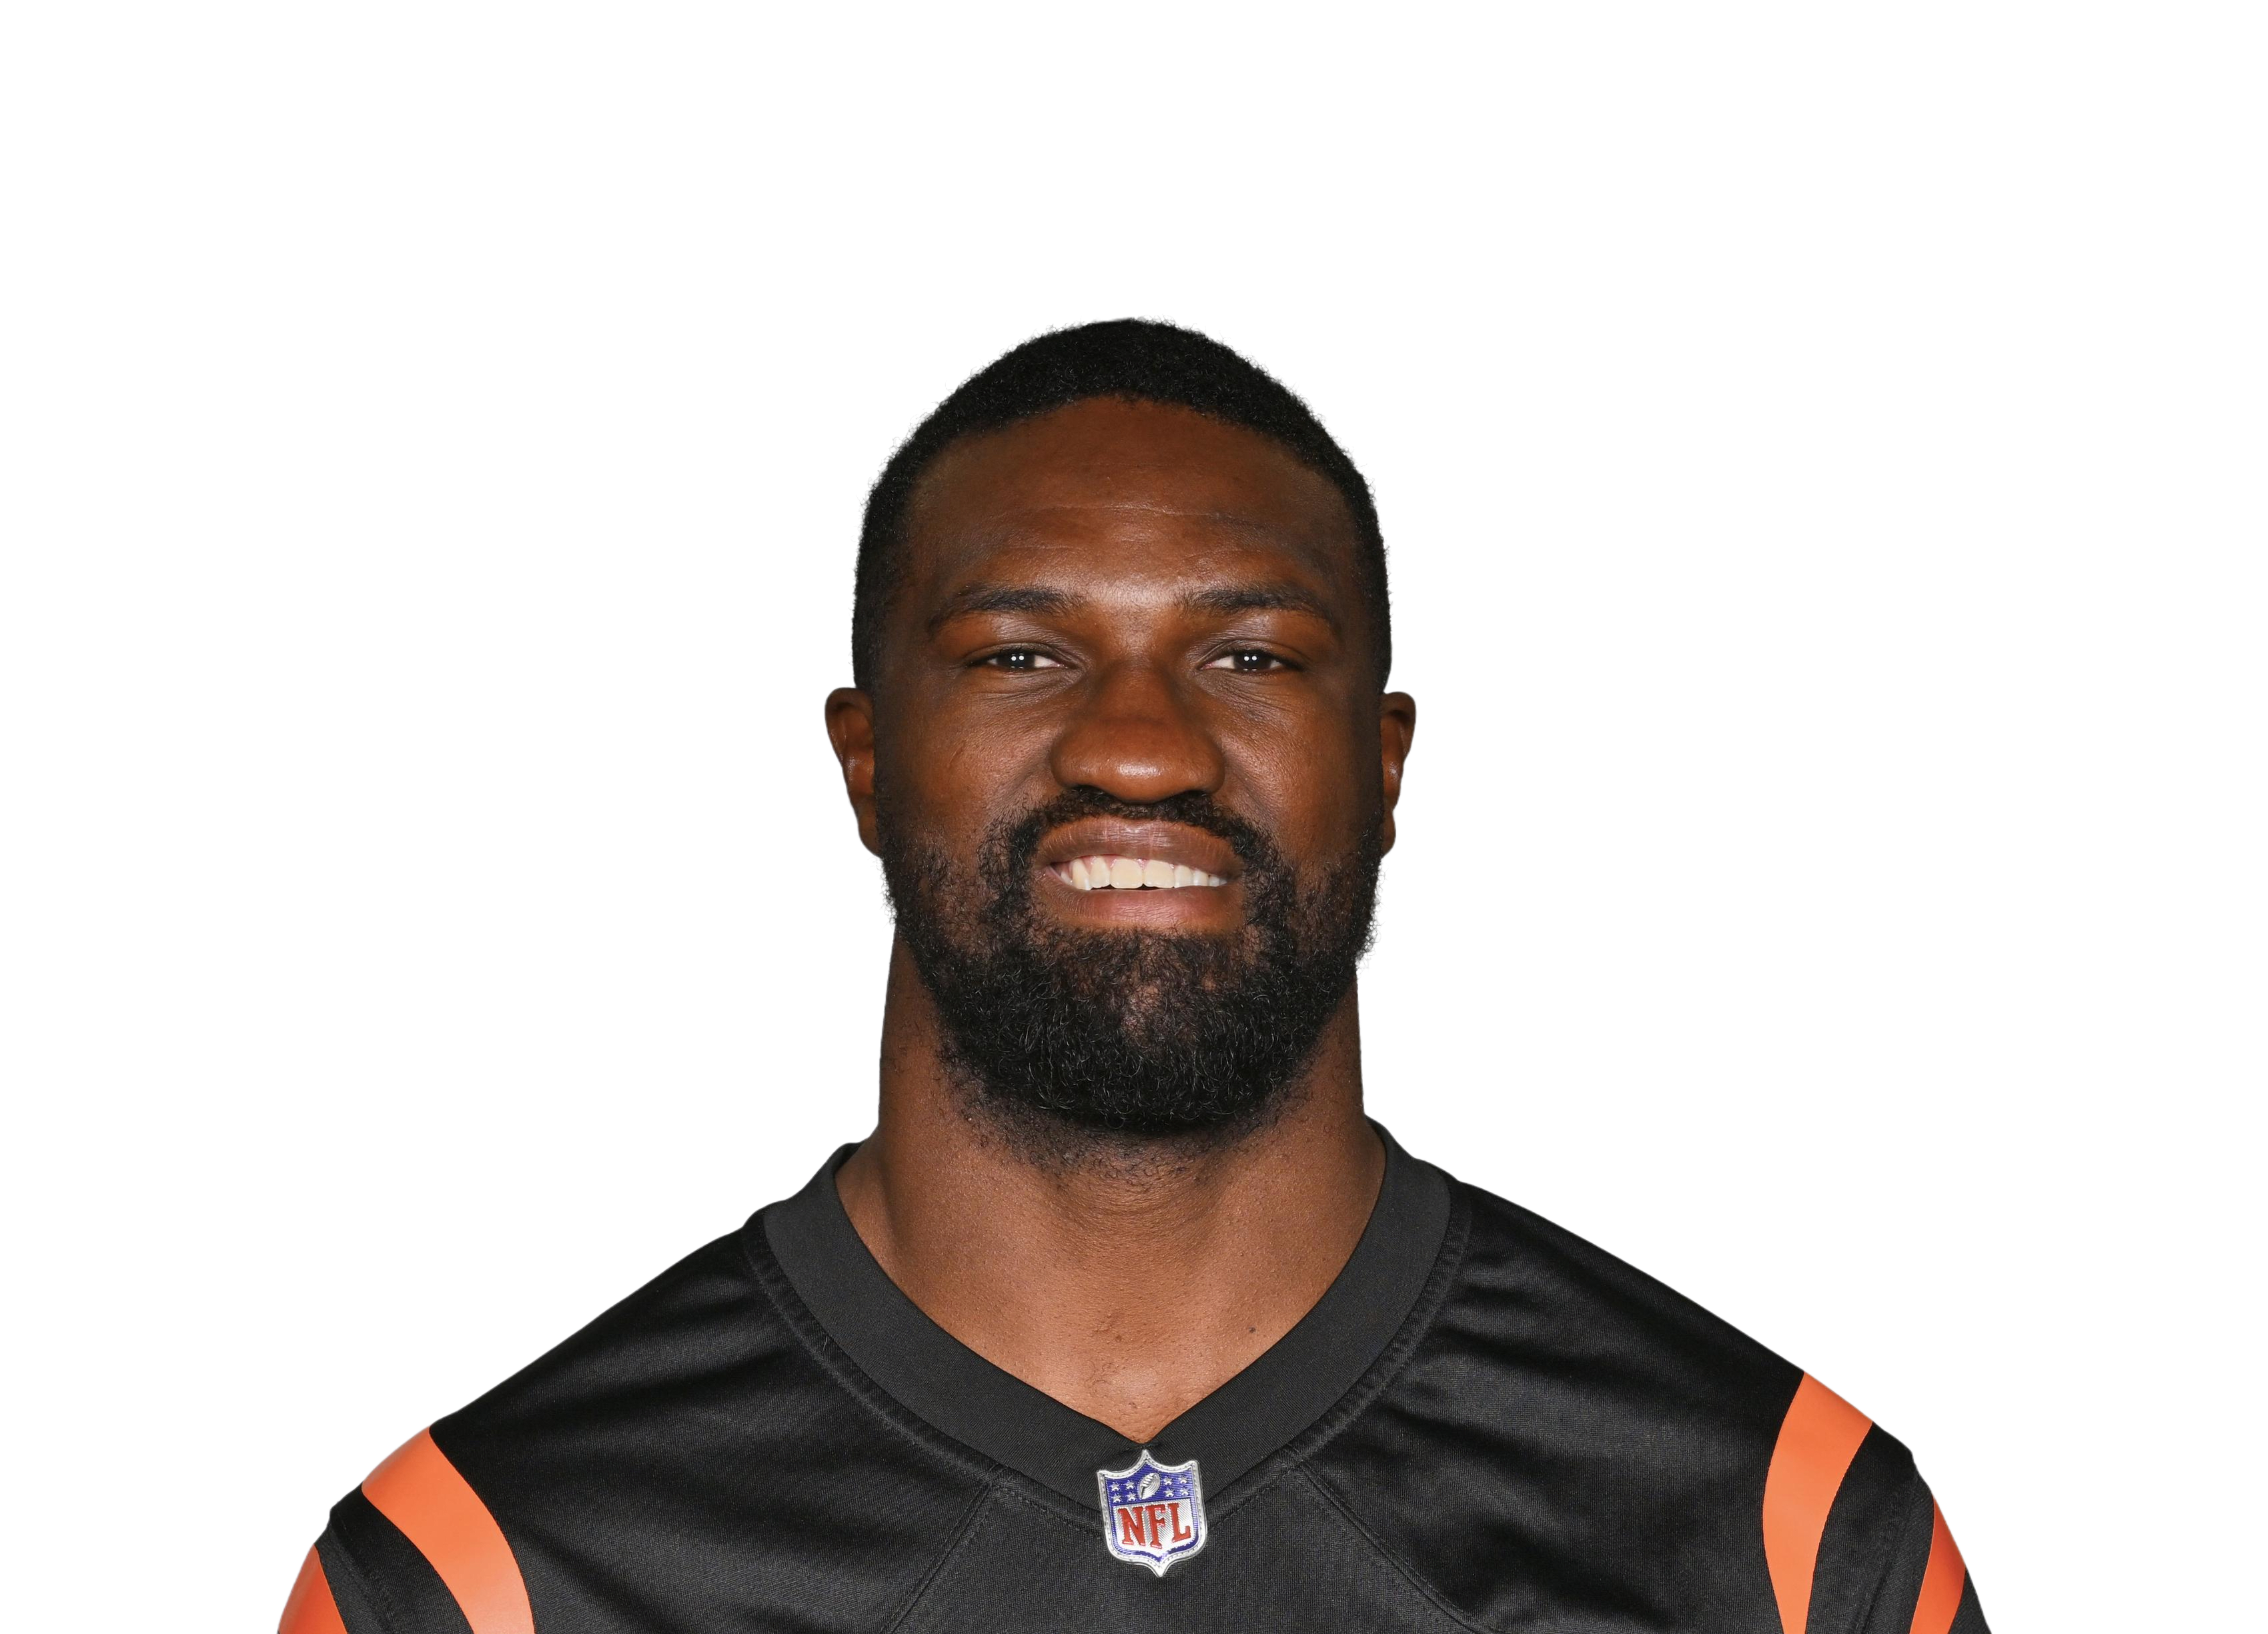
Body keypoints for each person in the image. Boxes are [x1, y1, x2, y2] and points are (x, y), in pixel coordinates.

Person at [278, 315, 1989, 1631]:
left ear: (1385, 764)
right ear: (863, 762)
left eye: (1248, 654)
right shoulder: (488, 1571)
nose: (1142, 750)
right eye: (1021, 653)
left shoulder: (1776, 1533)